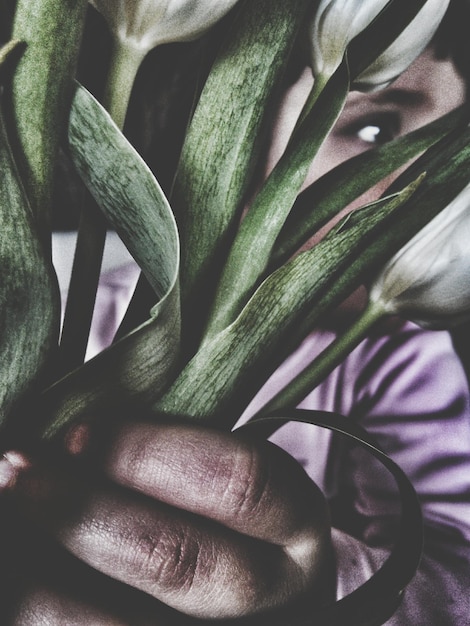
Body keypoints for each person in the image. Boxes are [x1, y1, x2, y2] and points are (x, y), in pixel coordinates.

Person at [1, 2, 470, 624]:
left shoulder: (401, 354)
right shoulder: (75, 314)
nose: (429, 188)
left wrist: (331, 587)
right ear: (226, 126)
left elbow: (456, 564)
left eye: (453, 157)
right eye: (377, 131)